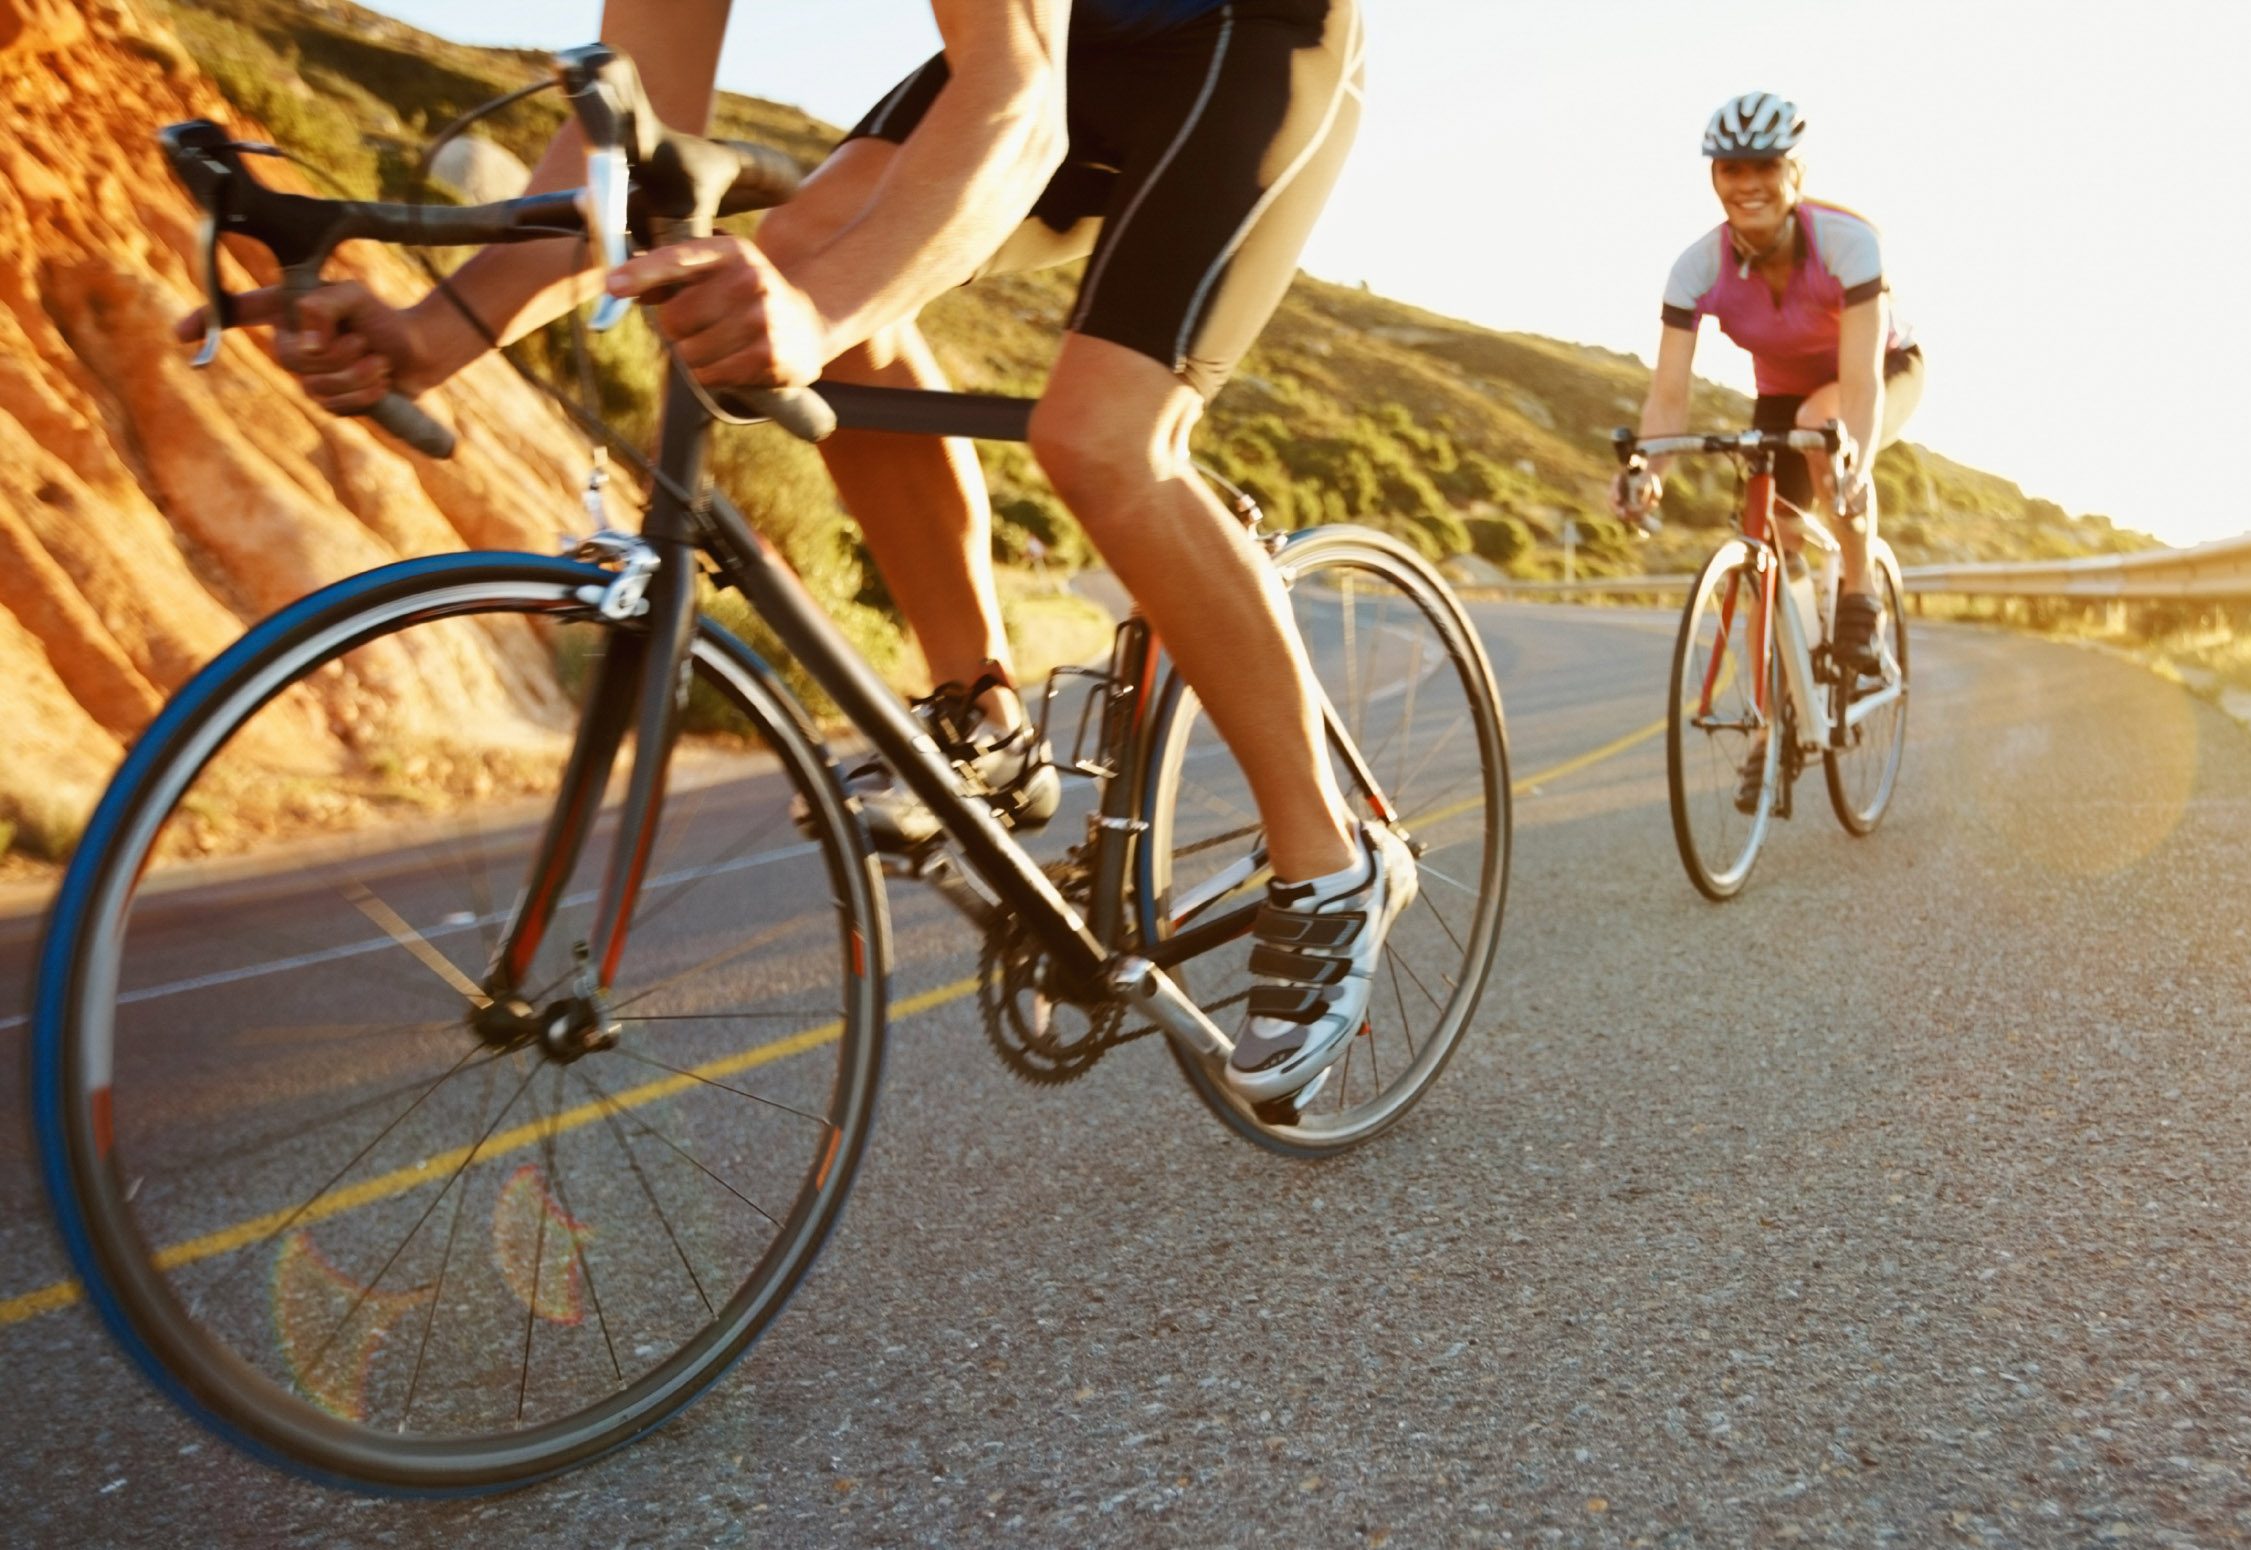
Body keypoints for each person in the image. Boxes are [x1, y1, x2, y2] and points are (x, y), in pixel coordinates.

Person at [191, 0, 1402, 1104]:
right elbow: (611, 159)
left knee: (1096, 434)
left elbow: (1017, 105)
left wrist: (815, 317)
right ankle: (981, 714)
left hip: (1245, 39)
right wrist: (423, 335)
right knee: (784, 273)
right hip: (1076, 53)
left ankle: (1330, 861)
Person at [1614, 89, 1924, 675]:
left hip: (1879, 368)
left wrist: (1850, 471)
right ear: (1714, 177)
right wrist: (1647, 473)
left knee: (1824, 433)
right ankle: (1785, 700)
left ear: (1794, 172)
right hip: (1783, 391)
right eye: (1732, 169)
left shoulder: (1849, 243)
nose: (1748, 183)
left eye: (1767, 166)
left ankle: (1860, 594)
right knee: (1773, 533)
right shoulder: (1696, 268)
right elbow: (1669, 396)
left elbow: (1858, 388)